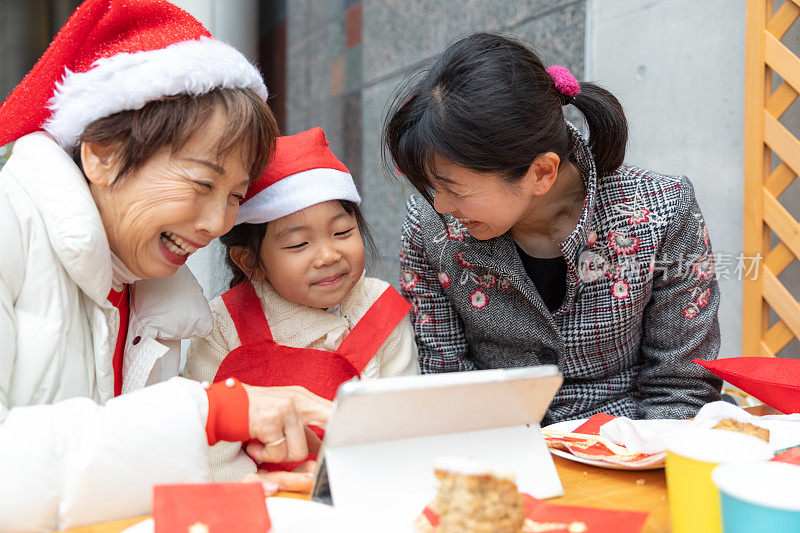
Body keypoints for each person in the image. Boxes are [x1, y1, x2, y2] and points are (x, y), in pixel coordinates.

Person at [0, 2, 330, 530]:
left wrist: (241, 498)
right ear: (101, 154)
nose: (217, 222)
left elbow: (110, 487)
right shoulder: (8, 230)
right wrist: (214, 412)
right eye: (202, 184)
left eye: (234, 197)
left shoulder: (154, 295)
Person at [384, 33, 722, 423]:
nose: (440, 206)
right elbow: (444, 379)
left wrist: (633, 459)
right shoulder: (429, 227)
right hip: (499, 445)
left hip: (632, 439)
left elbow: (681, 386)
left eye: (454, 188)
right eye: (430, 186)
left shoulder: (662, 212)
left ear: (541, 172)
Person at [186, 127, 420, 489]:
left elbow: (403, 423)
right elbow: (208, 446)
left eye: (342, 232)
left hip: (365, 491)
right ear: (250, 263)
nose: (328, 255)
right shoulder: (222, 326)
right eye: (298, 244)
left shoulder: (379, 310)